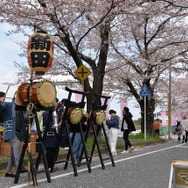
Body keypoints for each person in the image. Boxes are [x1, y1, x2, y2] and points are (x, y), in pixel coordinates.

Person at [0, 91, 27, 178]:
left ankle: (8, 171)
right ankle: (20, 166)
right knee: (17, 144)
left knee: (13, 152)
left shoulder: (20, 108)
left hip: (17, 132)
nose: (4, 98)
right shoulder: (7, 105)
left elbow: (26, 120)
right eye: (3, 97)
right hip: (10, 131)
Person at [42, 98, 62, 173]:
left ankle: (52, 165)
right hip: (49, 133)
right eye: (56, 102)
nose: (57, 103)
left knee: (55, 150)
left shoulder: (56, 112)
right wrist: (57, 125)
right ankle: (49, 166)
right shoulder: (47, 112)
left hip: (56, 133)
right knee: (50, 150)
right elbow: (47, 124)